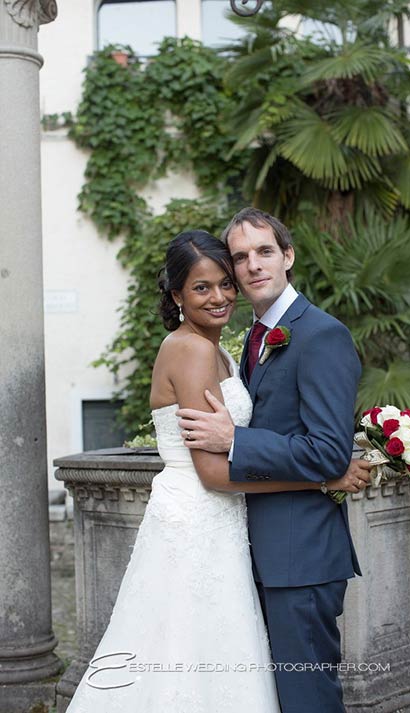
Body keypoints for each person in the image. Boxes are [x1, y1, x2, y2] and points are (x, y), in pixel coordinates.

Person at [65, 229, 370, 712]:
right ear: (176, 295)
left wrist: (312, 460)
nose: (222, 295)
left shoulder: (230, 347)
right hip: (197, 521)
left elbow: (285, 433)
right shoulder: (193, 349)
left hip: (231, 530)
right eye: (202, 287)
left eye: (225, 283)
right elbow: (211, 473)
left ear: (287, 256)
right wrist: (323, 477)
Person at [176, 209, 370, 713]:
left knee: (307, 699)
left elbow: (329, 451)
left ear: (287, 256)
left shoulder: (320, 334)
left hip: (300, 556)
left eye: (264, 251)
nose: (252, 265)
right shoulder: (256, 339)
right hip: (261, 551)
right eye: (240, 257)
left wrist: (235, 440)